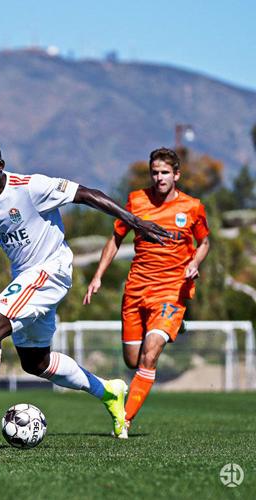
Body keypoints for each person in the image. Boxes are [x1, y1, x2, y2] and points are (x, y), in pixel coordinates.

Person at [0, 137, 171, 442]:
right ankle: (109, 391)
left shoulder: (31, 187)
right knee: (35, 362)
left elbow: (87, 194)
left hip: (52, 270)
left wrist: (134, 221)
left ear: (0, 165)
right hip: (26, 278)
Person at [83, 147, 210, 438]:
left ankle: (124, 420)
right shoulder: (136, 201)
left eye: (165, 172)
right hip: (136, 289)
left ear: (176, 175)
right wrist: (98, 276)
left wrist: (194, 262)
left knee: (149, 357)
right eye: (155, 172)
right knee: (133, 359)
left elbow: (204, 242)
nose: (159, 177)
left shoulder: (192, 207)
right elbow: (116, 238)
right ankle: (167, 330)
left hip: (171, 291)